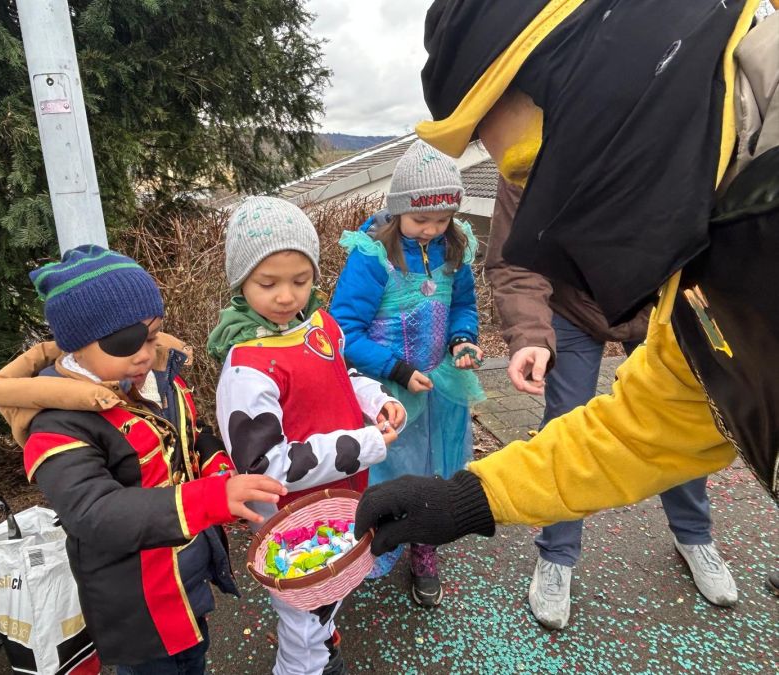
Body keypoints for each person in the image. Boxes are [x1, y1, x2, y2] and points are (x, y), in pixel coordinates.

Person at [354, 1, 778, 564]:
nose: (546, 230)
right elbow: (645, 427)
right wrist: (473, 497)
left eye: (546, 167)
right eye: (527, 187)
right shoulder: (703, 271)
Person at [0, 245, 288, 673]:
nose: (145, 353)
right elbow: (94, 512)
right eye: (126, 341)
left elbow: (191, 436)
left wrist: (217, 470)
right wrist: (208, 499)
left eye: (152, 335)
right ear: (77, 345)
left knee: (194, 659)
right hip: (136, 604)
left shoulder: (154, 381)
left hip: (187, 580)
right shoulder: (57, 425)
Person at [487, 178, 736, 629]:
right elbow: (515, 256)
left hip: (654, 301)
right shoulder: (528, 148)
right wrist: (530, 335)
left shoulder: (666, 124)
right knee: (565, 420)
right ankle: (557, 555)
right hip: (572, 306)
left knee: (675, 412)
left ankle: (694, 535)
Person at [206, 196, 406, 675]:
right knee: (302, 606)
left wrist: (376, 399)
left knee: (327, 589)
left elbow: (342, 373)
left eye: (301, 280)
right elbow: (267, 465)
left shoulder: (317, 324)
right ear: (241, 282)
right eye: (267, 283)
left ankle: (323, 639)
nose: (287, 296)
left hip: (336, 494)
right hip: (290, 513)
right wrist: (365, 446)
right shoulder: (247, 364)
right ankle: (305, 665)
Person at [330, 140, 485, 606]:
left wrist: (462, 339)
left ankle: (424, 545)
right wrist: (396, 367)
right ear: (397, 212)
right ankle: (377, 540)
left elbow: (462, 306)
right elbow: (344, 331)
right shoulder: (372, 255)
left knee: (435, 471)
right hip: (388, 391)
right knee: (388, 472)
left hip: (439, 387)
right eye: (421, 221)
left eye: (442, 221)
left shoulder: (453, 247)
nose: (431, 230)